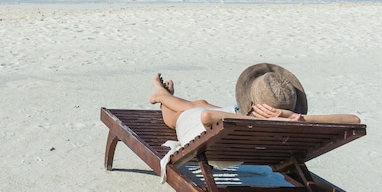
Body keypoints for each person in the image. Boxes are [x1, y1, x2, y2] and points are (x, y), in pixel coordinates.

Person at [149, 63, 361, 146]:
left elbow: (207, 118)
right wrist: (291, 117)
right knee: (201, 103)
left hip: (209, 133)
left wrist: (257, 119)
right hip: (237, 119)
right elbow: (354, 120)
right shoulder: (294, 123)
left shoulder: (251, 122)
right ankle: (164, 95)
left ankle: (161, 97)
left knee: (178, 116)